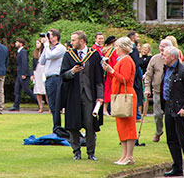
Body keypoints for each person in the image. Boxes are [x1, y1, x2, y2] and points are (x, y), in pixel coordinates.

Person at [59, 31, 104, 161]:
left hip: (89, 95)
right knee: (73, 125)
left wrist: (100, 97)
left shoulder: (94, 55)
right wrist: (72, 72)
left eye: (74, 40)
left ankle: (91, 152)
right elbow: (63, 76)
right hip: (73, 95)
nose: (71, 42)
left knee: (90, 124)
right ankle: (76, 151)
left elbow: (99, 78)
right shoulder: (68, 56)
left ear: (82, 41)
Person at [160, 45, 184, 177]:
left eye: (165, 55)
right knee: (171, 138)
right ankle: (177, 166)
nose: (162, 57)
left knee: (183, 137)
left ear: (172, 57)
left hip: (179, 107)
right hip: (168, 106)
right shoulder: (166, 69)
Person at [103, 36, 137, 166]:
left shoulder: (127, 60)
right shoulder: (121, 60)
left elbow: (124, 78)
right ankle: (124, 155)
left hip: (126, 95)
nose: (115, 49)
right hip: (120, 94)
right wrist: (109, 70)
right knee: (121, 126)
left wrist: (111, 70)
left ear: (123, 47)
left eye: (117, 46)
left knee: (129, 126)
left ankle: (129, 156)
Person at [39, 28, 66, 133]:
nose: (47, 37)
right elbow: (41, 60)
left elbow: (50, 56)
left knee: (55, 104)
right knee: (52, 104)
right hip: (49, 78)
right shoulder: (49, 48)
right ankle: (56, 127)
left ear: (55, 37)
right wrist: (45, 47)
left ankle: (57, 127)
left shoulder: (60, 48)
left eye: (49, 35)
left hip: (55, 78)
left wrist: (46, 45)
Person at [144, 39, 172, 142]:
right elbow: (148, 75)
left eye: (164, 46)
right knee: (157, 114)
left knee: (171, 115)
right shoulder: (155, 59)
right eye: (161, 46)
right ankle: (158, 132)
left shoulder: (173, 58)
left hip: (171, 92)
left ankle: (172, 134)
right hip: (157, 91)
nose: (161, 48)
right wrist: (147, 88)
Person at [10, 38, 35, 111]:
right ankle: (16, 106)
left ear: (21, 44)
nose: (15, 43)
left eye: (17, 42)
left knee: (27, 90)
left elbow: (24, 63)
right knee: (17, 90)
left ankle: (38, 101)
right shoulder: (19, 52)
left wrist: (24, 73)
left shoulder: (23, 52)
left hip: (23, 74)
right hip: (19, 73)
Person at [126, 31, 144, 119]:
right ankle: (136, 115)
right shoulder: (132, 47)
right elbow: (136, 62)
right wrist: (142, 60)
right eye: (137, 36)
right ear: (132, 37)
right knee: (136, 93)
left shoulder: (130, 47)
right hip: (134, 75)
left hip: (134, 74)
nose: (138, 38)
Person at [31, 38, 46, 113]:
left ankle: (50, 107)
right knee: (38, 90)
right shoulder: (35, 53)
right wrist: (32, 74)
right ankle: (40, 106)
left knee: (45, 89)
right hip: (37, 71)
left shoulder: (45, 51)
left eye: (38, 43)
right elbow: (33, 64)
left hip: (43, 70)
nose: (37, 45)